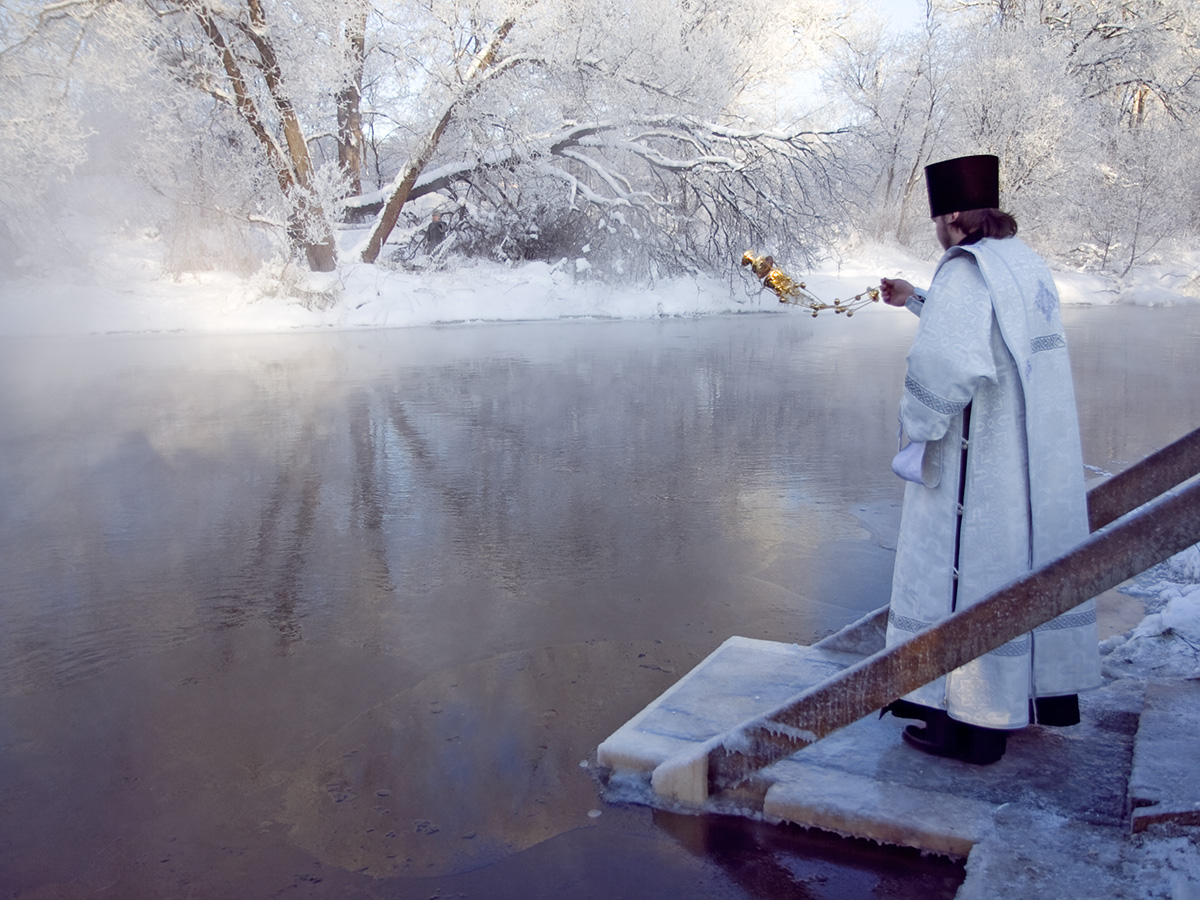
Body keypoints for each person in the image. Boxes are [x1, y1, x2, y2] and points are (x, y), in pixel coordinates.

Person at [878, 154, 1101, 765]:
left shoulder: (967, 269)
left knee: (964, 582)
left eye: (937, 220)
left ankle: (969, 726)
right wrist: (919, 299)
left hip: (975, 474)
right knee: (1011, 574)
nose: (938, 232)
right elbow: (987, 332)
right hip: (1026, 465)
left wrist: (914, 431)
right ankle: (1003, 709)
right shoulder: (1021, 263)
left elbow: (947, 363)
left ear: (953, 215)